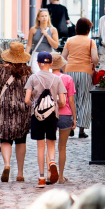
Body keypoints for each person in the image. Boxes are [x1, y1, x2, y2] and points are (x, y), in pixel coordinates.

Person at [0, 41, 33, 183]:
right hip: (23, 107)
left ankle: (7, 165)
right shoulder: (28, 71)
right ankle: (20, 173)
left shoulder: (1, 69)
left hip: (5, 106)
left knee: (6, 139)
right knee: (21, 140)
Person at [24, 50, 66, 187]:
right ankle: (52, 161)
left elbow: (26, 99)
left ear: (38, 63)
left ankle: (41, 178)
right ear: (51, 64)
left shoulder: (33, 78)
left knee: (40, 147)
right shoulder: (57, 79)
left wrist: (35, 105)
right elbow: (63, 101)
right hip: (52, 116)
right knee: (51, 143)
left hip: (37, 116)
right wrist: (54, 104)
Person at [61, 16, 99, 139]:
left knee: (71, 99)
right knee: (85, 100)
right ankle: (81, 131)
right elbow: (94, 59)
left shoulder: (70, 40)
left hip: (70, 72)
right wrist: (96, 63)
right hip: (85, 72)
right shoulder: (90, 42)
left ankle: (70, 128)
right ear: (88, 29)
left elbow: (63, 58)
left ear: (76, 28)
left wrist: (65, 70)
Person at [52, 52, 75, 183]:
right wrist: (75, 117)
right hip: (65, 114)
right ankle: (60, 177)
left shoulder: (46, 77)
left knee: (50, 146)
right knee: (62, 147)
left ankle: (50, 174)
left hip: (50, 115)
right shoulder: (67, 78)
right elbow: (71, 101)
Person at [26, 8, 59, 72]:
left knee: (47, 77)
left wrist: (47, 35)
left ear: (48, 17)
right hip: (36, 56)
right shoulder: (33, 29)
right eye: (42, 16)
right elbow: (29, 45)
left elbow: (56, 46)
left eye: (46, 16)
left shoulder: (53, 30)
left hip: (48, 55)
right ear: (38, 18)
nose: (44, 18)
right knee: (36, 75)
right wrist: (24, 58)